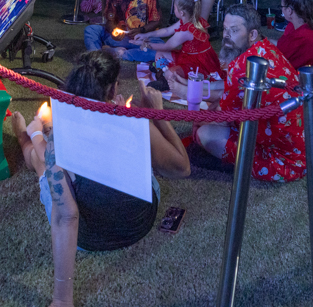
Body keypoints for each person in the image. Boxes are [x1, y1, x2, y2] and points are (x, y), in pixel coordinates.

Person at [11, 50, 190, 275]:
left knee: (42, 159)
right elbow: (182, 168)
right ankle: (30, 137)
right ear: (113, 88)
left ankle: (23, 139)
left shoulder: (63, 132)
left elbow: (66, 216)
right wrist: (155, 114)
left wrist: (38, 134)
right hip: (140, 223)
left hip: (86, 238)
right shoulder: (132, 118)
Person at [192, 4, 306, 182]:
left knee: (203, 133)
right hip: (299, 147)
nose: (227, 36)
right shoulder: (265, 47)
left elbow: (223, 116)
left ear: (252, 35)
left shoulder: (241, 68)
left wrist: (198, 121)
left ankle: (234, 163)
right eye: (225, 29)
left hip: (283, 162)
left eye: (234, 30)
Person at [131, 0, 222, 81]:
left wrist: (143, 44)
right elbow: (167, 30)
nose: (174, 10)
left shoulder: (187, 31)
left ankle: (164, 77)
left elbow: (165, 46)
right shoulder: (189, 19)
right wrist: (146, 35)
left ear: (181, 12)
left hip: (198, 63)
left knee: (170, 73)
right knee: (159, 53)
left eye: (174, 8)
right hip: (189, 56)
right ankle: (161, 71)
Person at [82, 0, 161, 61]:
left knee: (159, 50)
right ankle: (96, 55)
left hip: (143, 38)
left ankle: (118, 53)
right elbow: (109, 20)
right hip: (120, 38)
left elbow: (156, 20)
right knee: (90, 30)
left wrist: (141, 30)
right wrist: (113, 31)